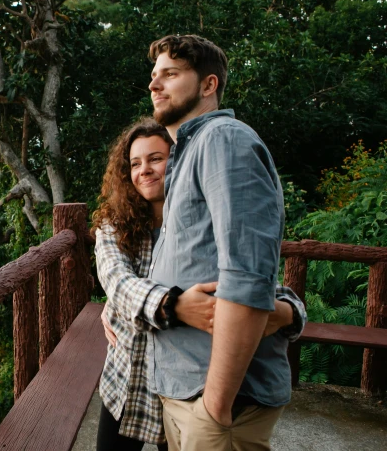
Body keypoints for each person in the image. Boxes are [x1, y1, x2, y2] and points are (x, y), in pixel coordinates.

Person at [92, 117, 306, 451]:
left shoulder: (203, 223)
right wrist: (174, 305)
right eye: (135, 163)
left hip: (184, 385)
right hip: (128, 378)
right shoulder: (114, 226)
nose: (144, 170)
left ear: (176, 161)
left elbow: (247, 278)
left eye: (155, 159)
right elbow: (117, 282)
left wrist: (289, 311)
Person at [132, 34, 292, 451]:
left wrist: (215, 408)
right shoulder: (187, 154)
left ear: (208, 85)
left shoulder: (224, 140)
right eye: (153, 76)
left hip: (218, 400)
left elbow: (249, 274)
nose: (154, 85)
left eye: (170, 74)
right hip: (186, 390)